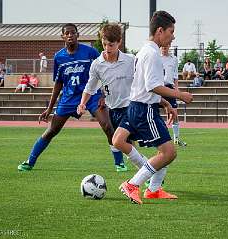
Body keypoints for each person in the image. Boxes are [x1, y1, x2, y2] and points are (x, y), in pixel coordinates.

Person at [112, 11, 193, 204]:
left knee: (121, 141)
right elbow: (153, 86)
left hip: (136, 106)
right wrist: (180, 95)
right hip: (144, 110)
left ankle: (154, 189)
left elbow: (144, 86)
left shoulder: (145, 51)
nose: (172, 36)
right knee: (168, 152)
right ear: (160, 30)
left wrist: (165, 103)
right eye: (171, 31)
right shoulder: (152, 54)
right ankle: (133, 184)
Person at [17, 23, 115, 171]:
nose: (70, 35)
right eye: (67, 33)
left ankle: (119, 163)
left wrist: (103, 95)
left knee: (108, 126)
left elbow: (104, 73)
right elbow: (58, 84)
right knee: (51, 131)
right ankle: (30, 161)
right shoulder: (59, 57)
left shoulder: (90, 52)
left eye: (73, 33)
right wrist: (49, 108)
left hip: (91, 95)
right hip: (68, 98)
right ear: (63, 36)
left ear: (78, 35)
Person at [77, 23, 133, 172]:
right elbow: (90, 87)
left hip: (131, 108)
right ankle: (148, 171)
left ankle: (148, 173)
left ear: (119, 42)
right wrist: (82, 103)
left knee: (119, 141)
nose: (107, 48)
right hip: (113, 110)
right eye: (104, 44)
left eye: (111, 45)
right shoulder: (97, 64)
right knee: (126, 144)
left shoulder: (131, 60)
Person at [161, 43, 187, 146]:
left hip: (170, 88)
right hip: (159, 88)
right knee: (153, 113)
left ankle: (176, 138)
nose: (164, 48)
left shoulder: (174, 59)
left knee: (175, 114)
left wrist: (177, 90)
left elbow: (175, 76)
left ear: (168, 47)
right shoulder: (156, 57)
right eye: (162, 47)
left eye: (165, 46)